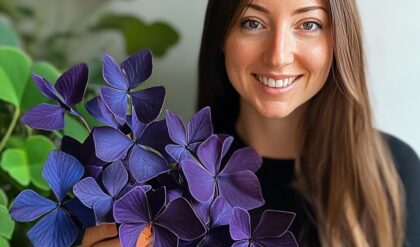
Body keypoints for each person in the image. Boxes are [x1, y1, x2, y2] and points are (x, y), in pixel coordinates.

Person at [81, 0, 420, 246]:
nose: (278, 56)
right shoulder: (162, 177)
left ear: (338, 42)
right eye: (253, 22)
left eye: (309, 24)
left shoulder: (394, 172)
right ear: (222, 38)